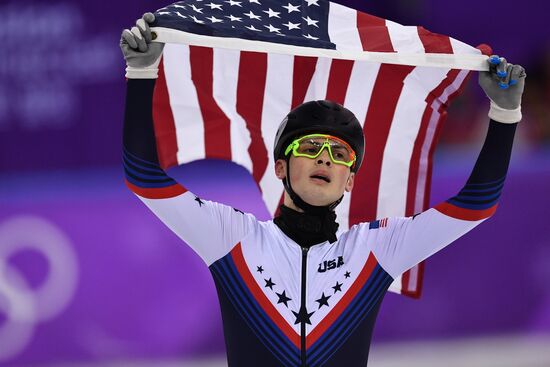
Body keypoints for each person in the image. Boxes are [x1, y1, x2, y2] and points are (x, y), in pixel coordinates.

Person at [120, 13, 526, 367]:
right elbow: (144, 176)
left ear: (350, 180)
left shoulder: (374, 249)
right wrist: (142, 72)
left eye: (339, 153)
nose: (325, 159)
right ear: (280, 166)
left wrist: (505, 113)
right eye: (311, 147)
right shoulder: (234, 237)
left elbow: (476, 204)